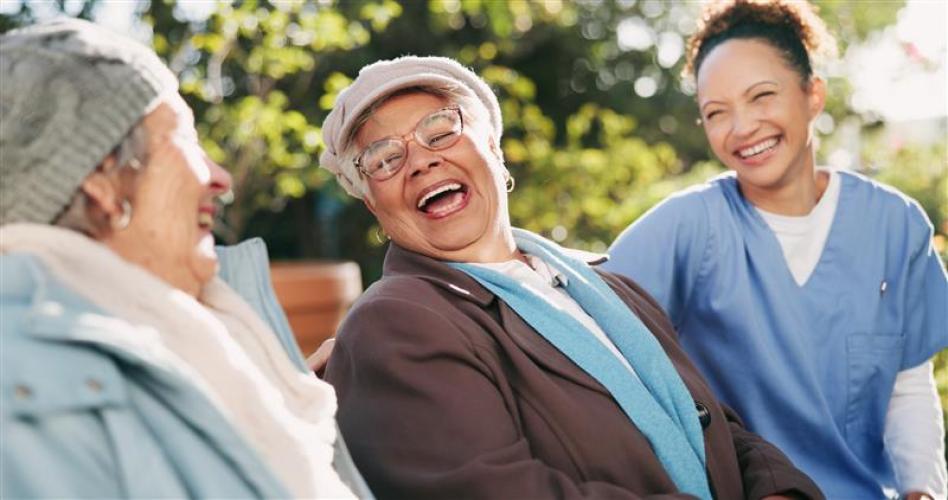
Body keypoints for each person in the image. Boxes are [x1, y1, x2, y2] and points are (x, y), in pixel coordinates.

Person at [317, 55, 822, 499]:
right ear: (371, 203)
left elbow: (713, 427)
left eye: (441, 131)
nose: (422, 161)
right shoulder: (393, 325)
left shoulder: (605, 284)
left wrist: (779, 490)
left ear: (492, 145)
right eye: (385, 159)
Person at [0, 19, 370, 498]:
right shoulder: (30, 391)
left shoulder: (217, 337)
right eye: (186, 139)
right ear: (103, 182)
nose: (220, 179)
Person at [602, 1, 948, 498]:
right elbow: (587, 328)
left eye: (761, 96)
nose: (742, 128)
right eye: (716, 113)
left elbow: (905, 387)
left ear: (813, 95)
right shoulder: (686, 229)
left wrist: (923, 490)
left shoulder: (894, 226)